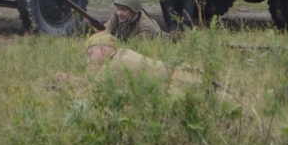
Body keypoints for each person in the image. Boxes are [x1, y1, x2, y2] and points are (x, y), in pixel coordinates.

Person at [56, 32, 231, 99]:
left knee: (227, 102)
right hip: (183, 78)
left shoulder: (117, 63)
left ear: (102, 50)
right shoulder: (121, 55)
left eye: (90, 54)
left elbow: (93, 93)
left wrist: (67, 81)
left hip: (181, 85)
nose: (88, 59)